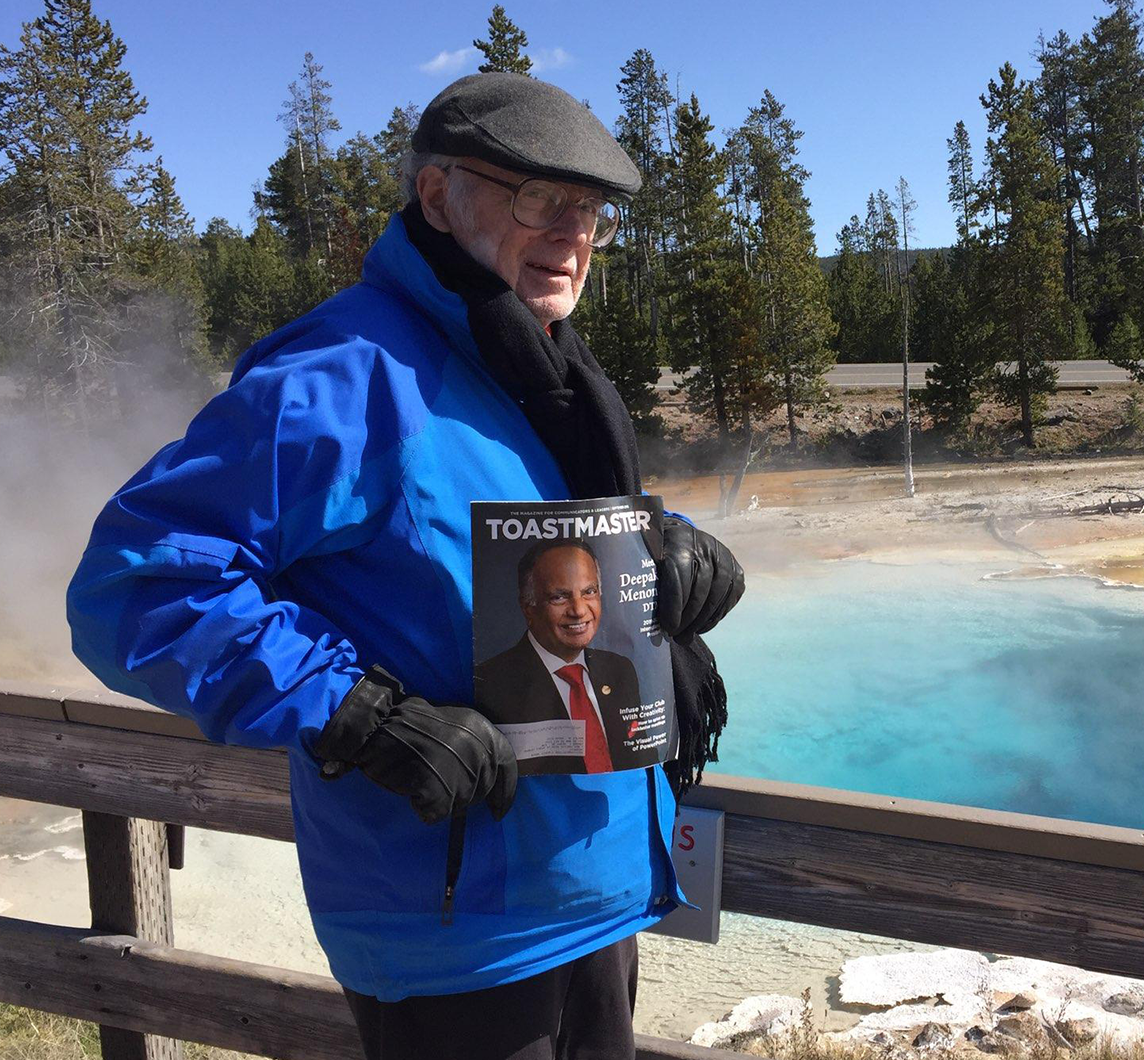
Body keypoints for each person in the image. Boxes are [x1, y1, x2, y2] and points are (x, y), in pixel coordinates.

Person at [65, 72, 744, 1060]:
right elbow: (135, 588)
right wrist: (359, 715)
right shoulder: (340, 376)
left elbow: (507, 537)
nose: (570, 233)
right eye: (536, 198)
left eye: (590, 209)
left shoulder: (536, 366)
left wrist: (665, 550)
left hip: (589, 889)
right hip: (455, 929)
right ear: (437, 196)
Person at [475, 539, 648, 774]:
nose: (578, 610)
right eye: (559, 597)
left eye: (589, 592)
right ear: (528, 606)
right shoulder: (490, 683)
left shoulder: (620, 669)